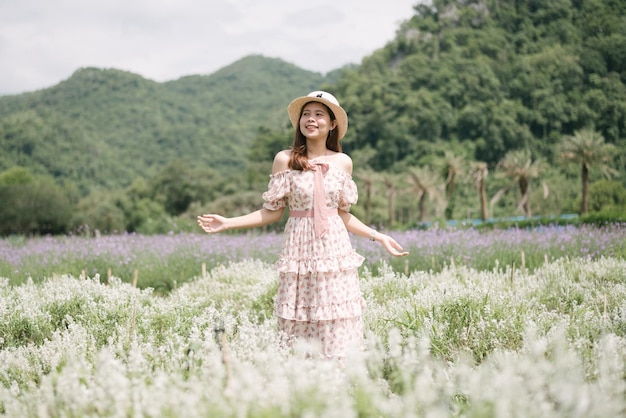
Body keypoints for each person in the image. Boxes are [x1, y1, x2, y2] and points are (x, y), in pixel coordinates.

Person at [197, 91, 408, 359]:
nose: (311, 119)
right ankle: (300, 384)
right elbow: (271, 212)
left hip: (333, 251)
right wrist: (227, 223)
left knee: (336, 317)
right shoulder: (285, 159)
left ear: (332, 124)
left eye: (319, 114)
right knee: (298, 322)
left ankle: (340, 382)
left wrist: (378, 236)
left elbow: (341, 215)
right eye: (306, 114)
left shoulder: (343, 162)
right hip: (299, 252)